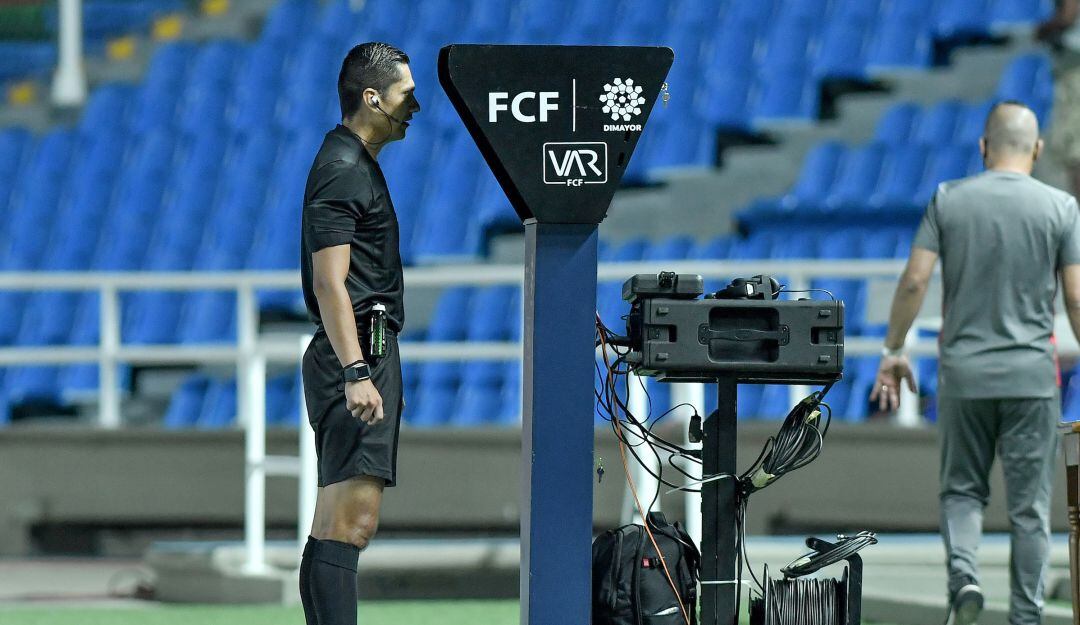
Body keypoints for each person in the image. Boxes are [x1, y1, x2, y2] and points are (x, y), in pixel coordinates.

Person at [870, 101, 1080, 625]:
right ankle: (1026, 616)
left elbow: (914, 281)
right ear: (1037, 148)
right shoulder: (1061, 207)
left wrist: (893, 350)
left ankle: (964, 578)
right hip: (1032, 378)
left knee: (962, 491)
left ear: (984, 147)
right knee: (1030, 509)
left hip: (964, 376)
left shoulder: (948, 199)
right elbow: (1077, 298)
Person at [297, 42, 419, 625]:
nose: (415, 106)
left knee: (334, 524)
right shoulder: (344, 167)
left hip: (363, 347)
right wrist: (356, 371)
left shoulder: (351, 161)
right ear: (372, 98)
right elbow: (329, 282)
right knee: (351, 524)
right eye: (405, 94)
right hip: (359, 349)